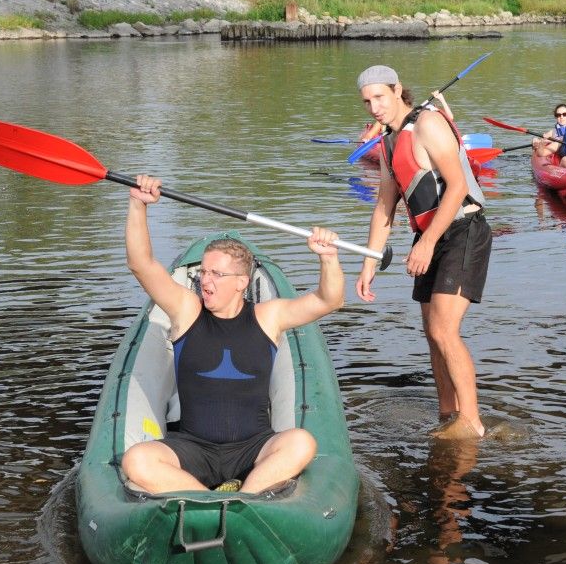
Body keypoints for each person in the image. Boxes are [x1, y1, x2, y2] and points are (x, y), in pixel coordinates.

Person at [120, 175, 345, 494]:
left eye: (216, 274)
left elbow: (329, 299)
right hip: (192, 448)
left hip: (253, 448)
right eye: (203, 272)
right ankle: (209, 501)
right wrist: (138, 204)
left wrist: (328, 257)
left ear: (241, 282)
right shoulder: (187, 310)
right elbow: (140, 264)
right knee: (137, 461)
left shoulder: (268, 316)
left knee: (302, 442)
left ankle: (244, 500)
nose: (205, 280)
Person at [355, 65, 492, 440]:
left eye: (380, 97)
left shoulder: (428, 123)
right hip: (430, 237)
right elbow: (385, 206)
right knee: (432, 335)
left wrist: (428, 242)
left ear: (398, 90)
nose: (374, 108)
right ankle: (448, 415)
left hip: (464, 229)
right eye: (367, 101)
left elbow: (457, 185)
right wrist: (369, 264)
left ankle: (472, 421)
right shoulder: (385, 143)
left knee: (443, 329)